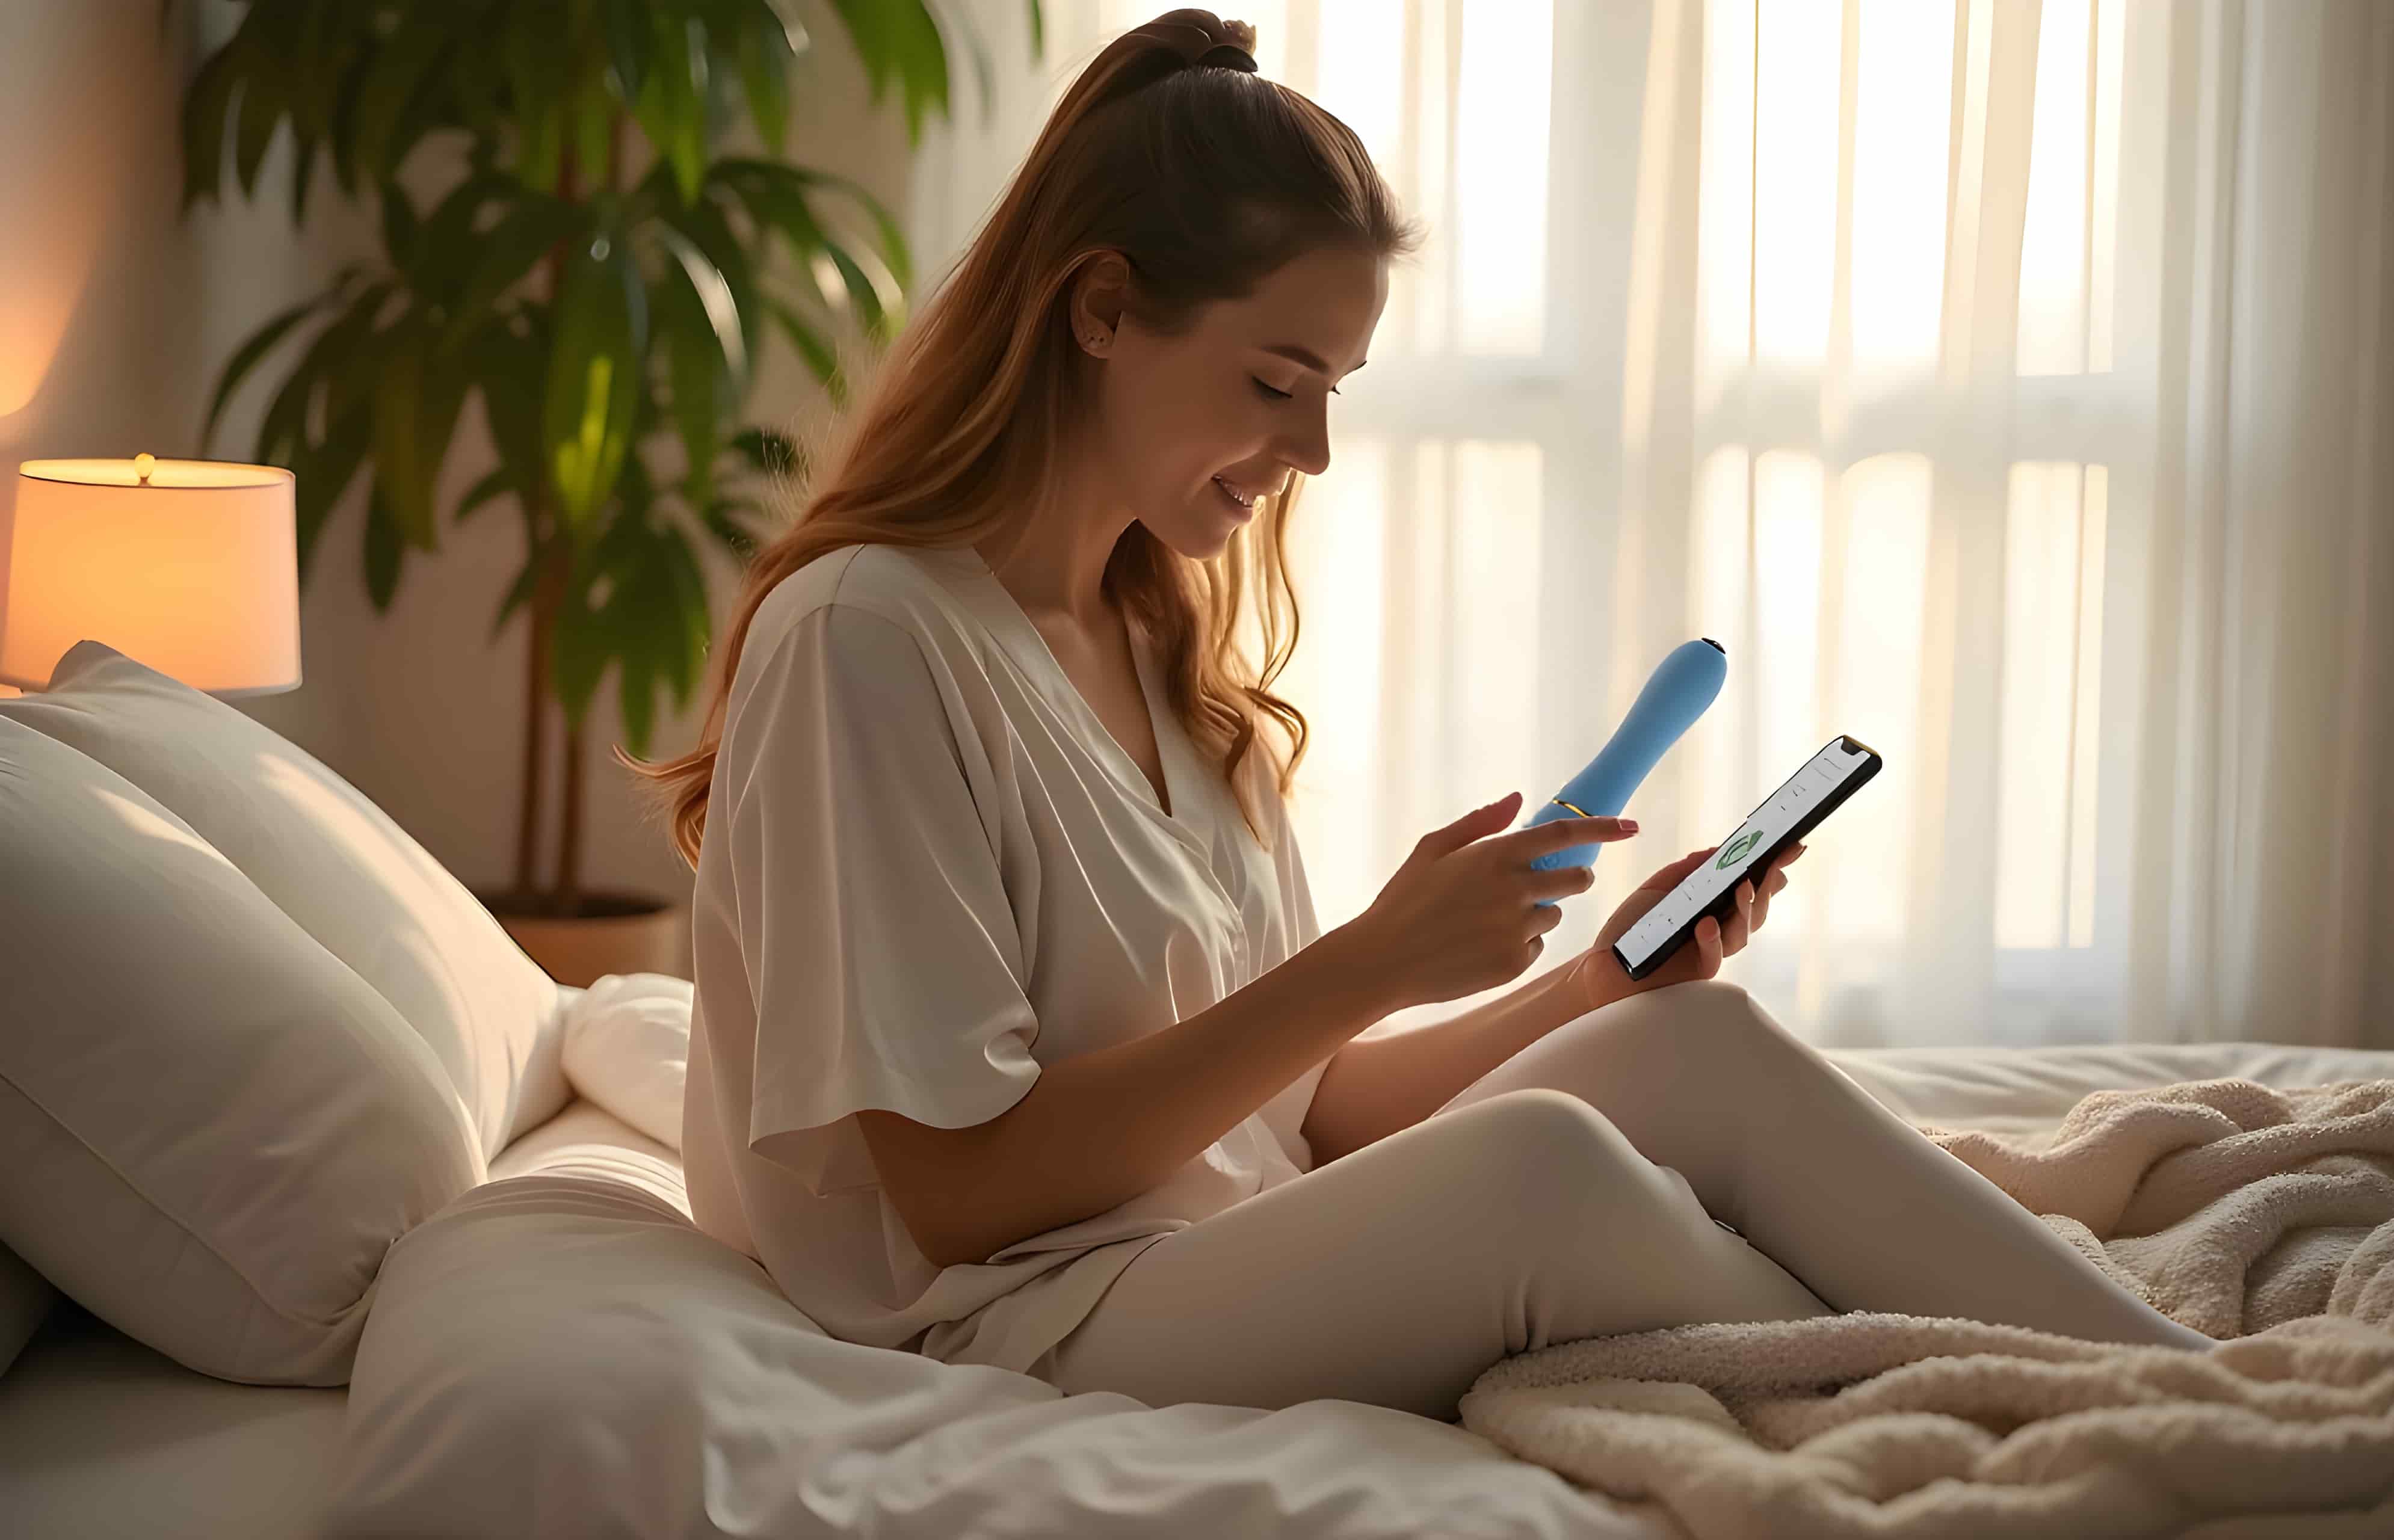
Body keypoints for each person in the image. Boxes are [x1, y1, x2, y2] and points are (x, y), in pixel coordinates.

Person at [626, 8, 2212, 1423]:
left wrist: (1586, 984)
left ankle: (2184, 1390)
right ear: (1101, 308)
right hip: (1018, 1315)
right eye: (1275, 380)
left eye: (1339, 388)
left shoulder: (1160, 655)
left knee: (1688, 1039)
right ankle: (2010, 1402)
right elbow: (962, 1193)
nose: (1313, 448)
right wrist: (1373, 958)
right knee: (1544, 1173)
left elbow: (1300, 1115)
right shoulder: (873, 638)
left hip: (1217, 1242)